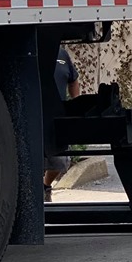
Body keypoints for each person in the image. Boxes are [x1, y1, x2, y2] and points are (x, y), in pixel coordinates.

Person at [43, 45, 81, 201]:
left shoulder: (62, 55)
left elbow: (73, 81)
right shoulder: (33, 51)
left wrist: (76, 105)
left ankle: (45, 186)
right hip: (36, 115)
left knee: (61, 161)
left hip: (58, 117)